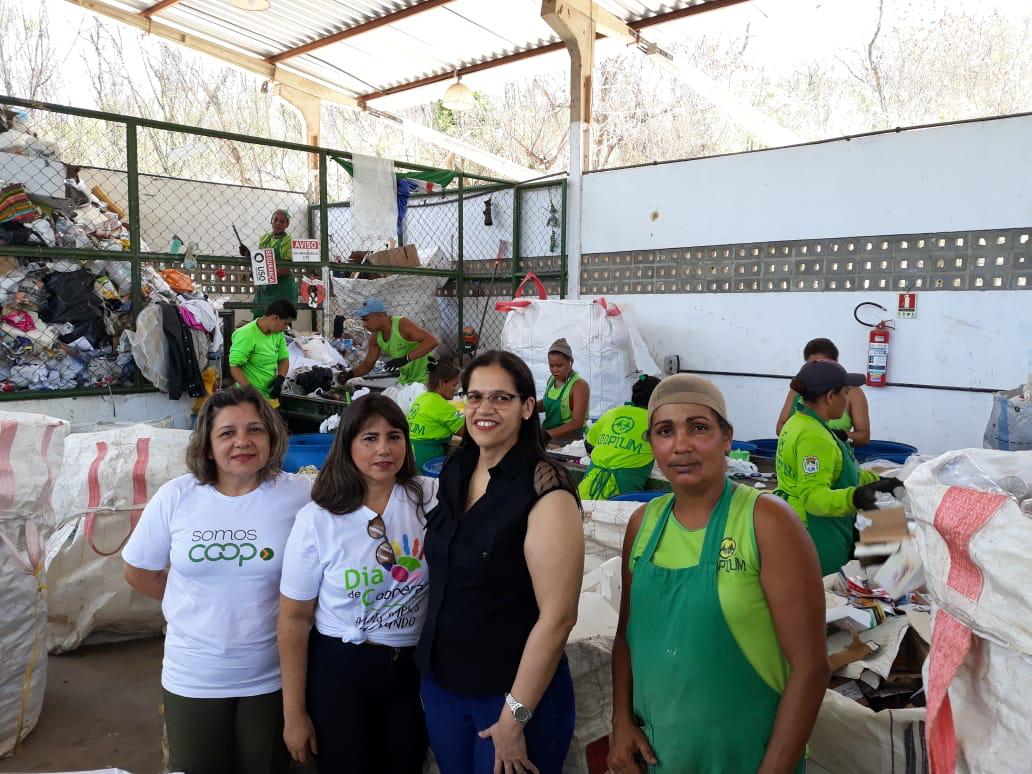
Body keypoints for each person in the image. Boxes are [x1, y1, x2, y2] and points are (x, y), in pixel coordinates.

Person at [608, 375, 829, 774]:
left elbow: (810, 667)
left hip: (748, 758)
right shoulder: (643, 525)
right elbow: (626, 637)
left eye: (698, 428)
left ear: (727, 438)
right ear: (652, 444)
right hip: (659, 756)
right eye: (665, 431)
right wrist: (620, 722)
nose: (681, 445)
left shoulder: (766, 522)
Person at [122, 386, 312, 774]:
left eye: (255, 430)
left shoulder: (301, 495)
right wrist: (191, 603)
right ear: (208, 446)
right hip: (194, 675)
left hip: (270, 676)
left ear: (272, 438)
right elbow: (138, 571)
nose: (242, 442)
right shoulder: (177, 496)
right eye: (227, 433)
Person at [416, 350, 583, 774]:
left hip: (508, 695)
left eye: (500, 398)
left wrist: (516, 715)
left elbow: (558, 616)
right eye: (474, 397)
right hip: (444, 685)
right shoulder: (458, 466)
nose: (484, 410)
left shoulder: (546, 487)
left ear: (527, 407)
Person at [277, 394, 435, 772]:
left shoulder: (429, 498)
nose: (384, 449)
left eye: (394, 436)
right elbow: (294, 620)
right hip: (341, 672)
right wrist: (294, 714)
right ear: (347, 445)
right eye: (369, 438)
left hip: (411, 671)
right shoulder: (318, 519)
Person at [774, 360, 902, 576]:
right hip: (817, 533)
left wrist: (879, 481)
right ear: (830, 396)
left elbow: (840, 472)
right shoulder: (813, 437)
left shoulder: (799, 421)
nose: (847, 399)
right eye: (845, 393)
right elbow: (813, 497)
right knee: (827, 595)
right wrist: (856, 498)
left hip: (800, 523)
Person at [577, 375, 661, 501]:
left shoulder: (613, 412)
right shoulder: (656, 420)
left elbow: (589, 443)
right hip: (624, 495)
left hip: (587, 488)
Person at [776, 338, 871, 445]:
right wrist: (810, 434)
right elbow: (780, 427)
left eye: (825, 365)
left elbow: (864, 437)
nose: (819, 371)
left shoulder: (853, 393)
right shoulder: (797, 391)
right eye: (814, 365)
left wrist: (834, 435)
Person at [339, 298, 439, 387]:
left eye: (366, 320)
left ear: (379, 316)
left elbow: (432, 341)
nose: (364, 324)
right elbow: (368, 364)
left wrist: (406, 359)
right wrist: (349, 375)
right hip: (405, 381)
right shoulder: (375, 338)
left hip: (425, 380)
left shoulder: (401, 324)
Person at [229, 299, 296, 408]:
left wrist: (280, 379)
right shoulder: (246, 335)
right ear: (275, 318)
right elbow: (235, 367)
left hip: (269, 398)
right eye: (285, 323)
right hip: (248, 400)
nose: (286, 327)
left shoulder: (277, 334)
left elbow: (283, 359)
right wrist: (250, 391)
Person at [407, 361, 465, 471]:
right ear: (442, 383)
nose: (456, 389)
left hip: (412, 454)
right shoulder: (440, 405)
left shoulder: (421, 398)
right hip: (429, 456)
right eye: (454, 385)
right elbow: (466, 432)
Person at [243, 209, 299, 305]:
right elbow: (261, 261)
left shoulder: (288, 241)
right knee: (259, 318)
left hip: (283, 287)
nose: (278, 223)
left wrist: (261, 275)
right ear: (271, 221)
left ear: (287, 224)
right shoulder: (265, 238)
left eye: (282, 221)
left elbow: (285, 268)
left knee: (281, 318)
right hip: (265, 288)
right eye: (275, 220)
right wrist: (248, 255)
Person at [539, 338, 590, 442]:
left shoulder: (579, 386)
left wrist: (548, 434)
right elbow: (546, 404)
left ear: (570, 362)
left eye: (559, 366)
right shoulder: (552, 380)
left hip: (571, 439)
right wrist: (526, 407)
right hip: (549, 435)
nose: (555, 370)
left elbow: (577, 422)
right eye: (551, 366)